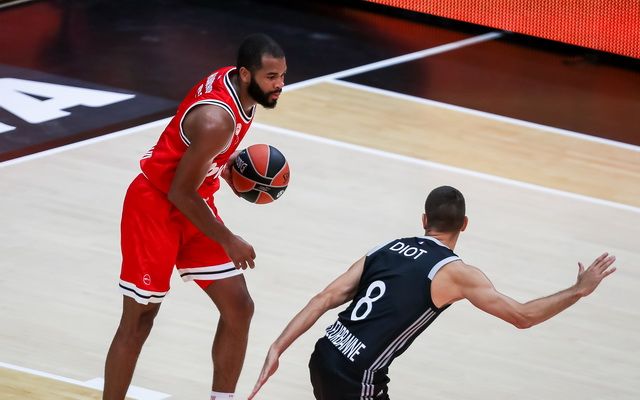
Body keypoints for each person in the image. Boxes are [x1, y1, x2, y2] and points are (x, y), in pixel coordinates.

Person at [249, 185, 616, 400]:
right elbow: (523, 316)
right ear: (465, 225)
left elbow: (324, 298)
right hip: (356, 375)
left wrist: (277, 347)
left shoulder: (388, 247)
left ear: (424, 220)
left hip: (325, 353)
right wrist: (578, 291)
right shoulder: (456, 274)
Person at [103, 33, 286, 400]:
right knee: (139, 320)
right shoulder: (217, 120)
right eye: (271, 77)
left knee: (239, 307)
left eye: (282, 75)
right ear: (246, 74)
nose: (279, 84)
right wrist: (228, 239)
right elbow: (179, 192)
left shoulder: (240, 90)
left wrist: (225, 166)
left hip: (194, 201)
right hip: (155, 206)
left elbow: (195, 162)